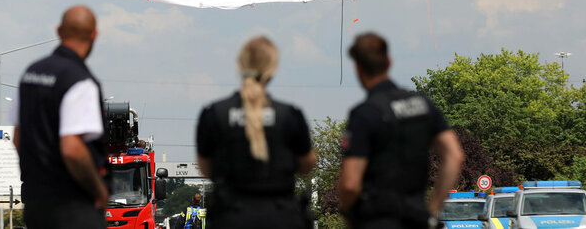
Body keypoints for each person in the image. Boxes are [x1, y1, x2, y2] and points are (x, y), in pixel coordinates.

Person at [339, 32, 464, 228]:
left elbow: (350, 184)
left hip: (378, 219)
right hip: (417, 217)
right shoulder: (421, 103)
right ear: (389, 62)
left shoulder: (365, 114)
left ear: (358, 69)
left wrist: (348, 214)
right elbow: (454, 155)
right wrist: (432, 210)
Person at [196, 36, 316, 229]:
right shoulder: (290, 115)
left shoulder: (214, 114)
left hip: (230, 217)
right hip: (282, 217)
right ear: (272, 70)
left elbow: (205, 169)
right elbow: (306, 166)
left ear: (240, 66)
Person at [12, 5, 109, 229]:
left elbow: (18, 138)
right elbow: (72, 149)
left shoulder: (30, 74)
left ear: (58, 31)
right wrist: (98, 189)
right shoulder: (80, 81)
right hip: (72, 207)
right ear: (94, 35)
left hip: (37, 205)